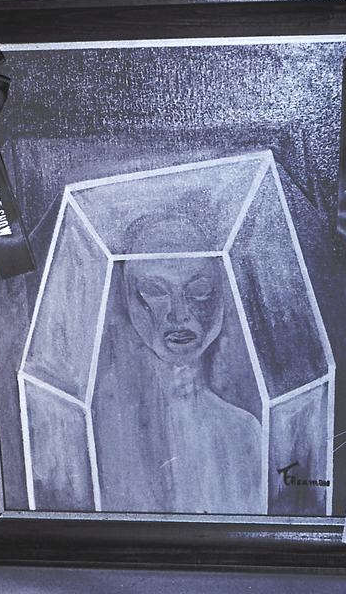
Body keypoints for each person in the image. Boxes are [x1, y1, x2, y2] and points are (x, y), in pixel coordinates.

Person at [92, 214, 265, 514]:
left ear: (222, 293)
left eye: (199, 291)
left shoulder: (242, 432)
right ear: (127, 299)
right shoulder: (104, 431)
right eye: (155, 292)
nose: (179, 314)